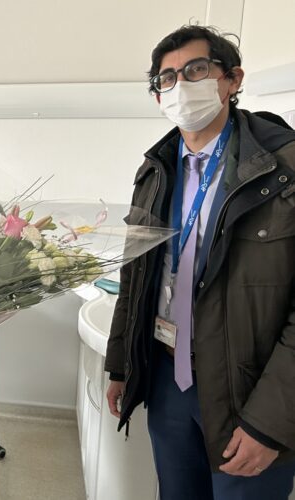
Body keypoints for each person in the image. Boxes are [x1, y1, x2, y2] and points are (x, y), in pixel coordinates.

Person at [104, 25, 295, 499]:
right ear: (157, 96)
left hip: (246, 389)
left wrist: (272, 420)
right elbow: (135, 276)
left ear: (231, 79)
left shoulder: (283, 170)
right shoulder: (155, 171)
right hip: (168, 376)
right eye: (167, 78)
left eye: (196, 70)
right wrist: (121, 366)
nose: (179, 86)